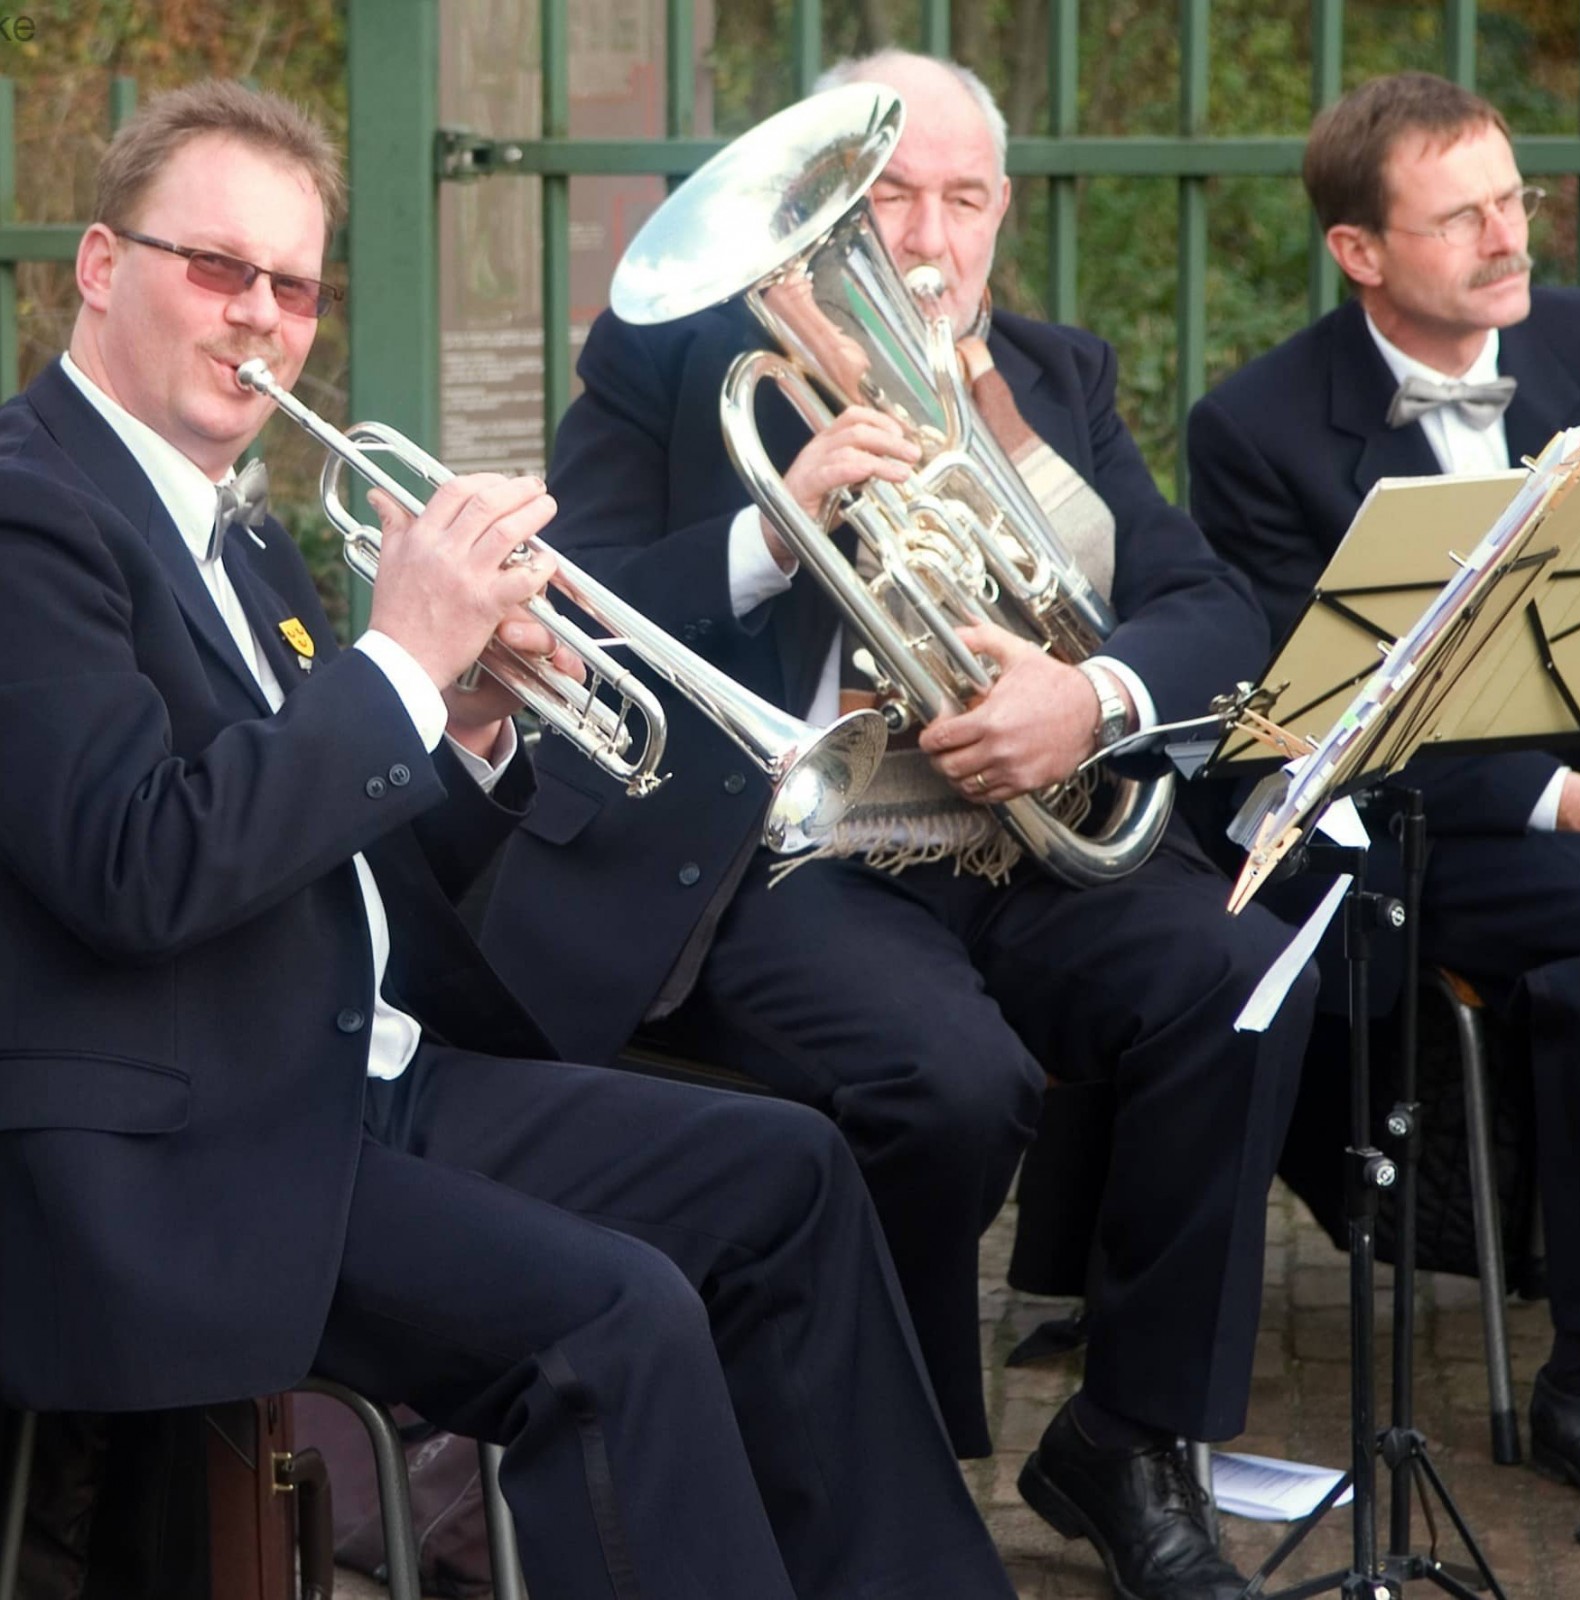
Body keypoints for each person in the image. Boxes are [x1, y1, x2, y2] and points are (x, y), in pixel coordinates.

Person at [0, 77, 1023, 1600]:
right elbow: (136, 865)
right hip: (188, 1149)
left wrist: (466, 714)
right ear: (98, 265)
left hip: (348, 1077)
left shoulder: (249, 525)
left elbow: (343, 851)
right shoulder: (31, 511)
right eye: (215, 268)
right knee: (618, 1321)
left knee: (790, 1176)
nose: (258, 319)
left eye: (292, 286)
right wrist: (399, 665)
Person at [478, 50, 1318, 1600]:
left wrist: (1096, 699)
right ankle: (894, 1459)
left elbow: (1211, 603)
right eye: (889, 196)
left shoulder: (1053, 374)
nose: (927, 239)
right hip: (792, 848)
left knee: (1243, 981)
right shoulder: (671, 363)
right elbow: (569, 611)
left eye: (965, 197)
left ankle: (1128, 1437)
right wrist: (772, 524)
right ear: (821, 207)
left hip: (1018, 825)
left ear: (1004, 212)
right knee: (944, 1085)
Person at [1187, 70, 1580, 1507]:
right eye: (1460, 219)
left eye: (1514, 199)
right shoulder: (1255, 428)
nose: (1509, 240)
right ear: (1358, 251)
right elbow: (1346, 713)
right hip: (1432, 824)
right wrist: (1570, 801)